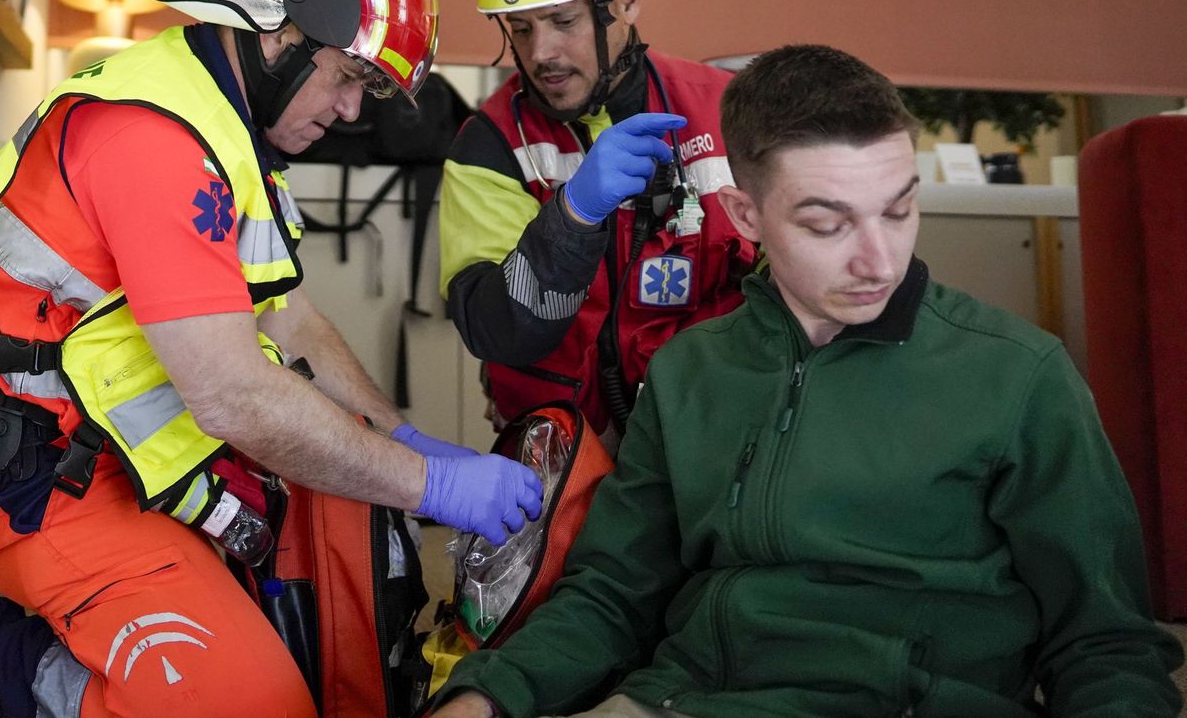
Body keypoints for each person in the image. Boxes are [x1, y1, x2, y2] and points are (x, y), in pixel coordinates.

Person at [0, 0, 543, 718]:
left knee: (329, 602)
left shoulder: (228, 131)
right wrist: (429, 488)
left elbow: (290, 318)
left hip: (116, 451)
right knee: (252, 707)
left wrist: (396, 437)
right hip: (18, 470)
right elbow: (234, 393)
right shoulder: (154, 138)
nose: (351, 113)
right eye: (349, 79)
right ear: (278, 31)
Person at [428, 43, 1184, 718]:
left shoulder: (1017, 375)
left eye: (899, 211)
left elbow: (1108, 645)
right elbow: (609, 596)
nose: (879, 261)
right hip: (680, 699)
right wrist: (489, 694)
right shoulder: (691, 371)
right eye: (828, 224)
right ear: (744, 215)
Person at [439, 0, 754, 441]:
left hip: (704, 440)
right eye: (521, 28)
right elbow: (498, 333)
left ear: (626, 1)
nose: (541, 53)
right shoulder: (489, 144)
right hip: (555, 457)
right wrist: (572, 217)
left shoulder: (725, 113)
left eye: (563, 22)